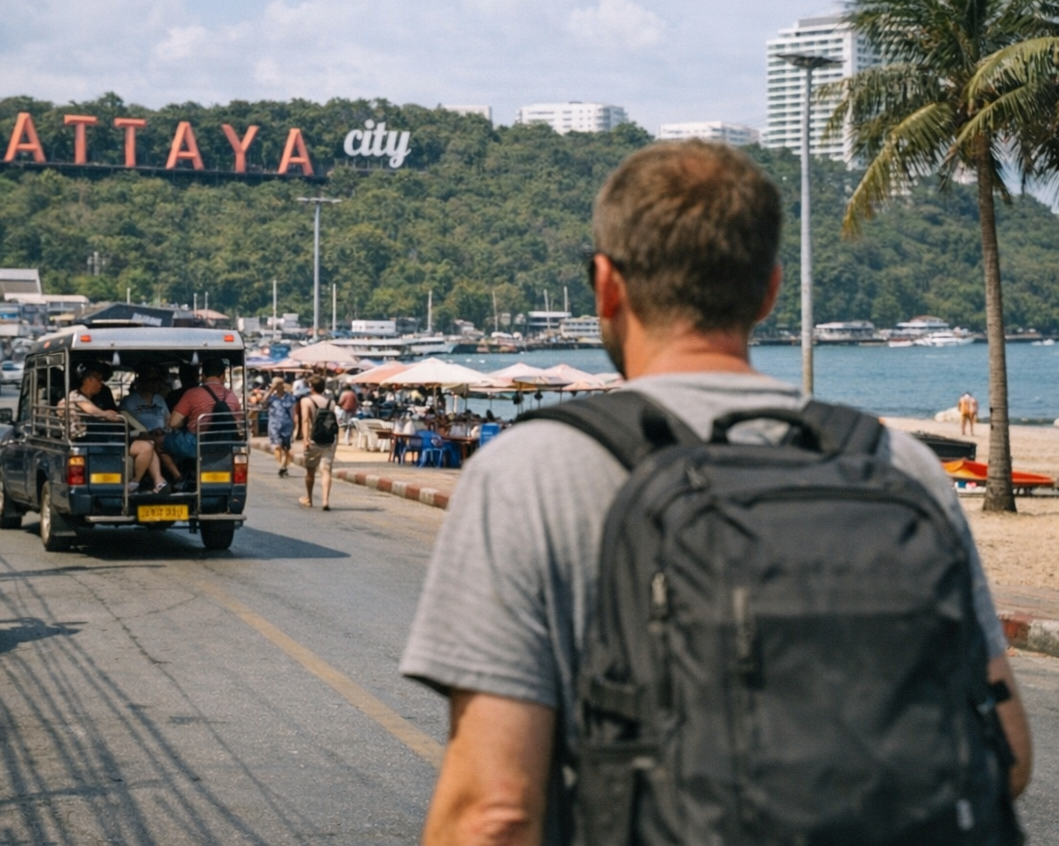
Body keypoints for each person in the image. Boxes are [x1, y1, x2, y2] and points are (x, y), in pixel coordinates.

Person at [402, 140, 1033, 845]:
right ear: (768, 290)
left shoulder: (532, 472)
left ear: (607, 286)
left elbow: (494, 813)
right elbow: (1007, 757)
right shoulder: (897, 465)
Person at [66, 365, 164, 492]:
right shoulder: (75, 395)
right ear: (87, 380)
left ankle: (136, 483)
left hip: (108, 437)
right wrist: (105, 414)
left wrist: (115, 417)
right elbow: (91, 410)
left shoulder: (103, 393)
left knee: (147, 445)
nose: (101, 384)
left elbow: (113, 411)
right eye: (98, 380)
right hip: (87, 439)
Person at [164, 357, 244, 474]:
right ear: (223, 376)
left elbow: (173, 423)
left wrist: (186, 421)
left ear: (203, 376)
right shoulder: (232, 396)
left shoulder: (192, 394)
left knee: (161, 442)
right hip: (225, 444)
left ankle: (177, 477)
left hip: (195, 445)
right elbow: (237, 422)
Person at [119, 367, 181, 488]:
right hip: (140, 435)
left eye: (155, 381)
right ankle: (177, 477)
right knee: (153, 442)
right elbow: (125, 420)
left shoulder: (159, 399)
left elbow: (168, 419)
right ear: (141, 382)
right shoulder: (130, 400)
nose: (153, 384)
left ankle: (163, 480)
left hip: (162, 434)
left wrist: (165, 431)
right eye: (150, 381)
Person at [295, 374, 338, 510]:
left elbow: (305, 420)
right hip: (329, 439)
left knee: (310, 471)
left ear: (311, 387)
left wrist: (305, 438)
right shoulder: (331, 402)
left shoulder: (306, 401)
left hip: (313, 440)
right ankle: (325, 500)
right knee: (326, 470)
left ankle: (309, 498)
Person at [265, 377, 296, 477]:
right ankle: (280, 466)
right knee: (277, 446)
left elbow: (294, 411)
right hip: (274, 424)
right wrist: (271, 390)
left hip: (286, 424)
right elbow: (263, 401)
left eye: (277, 385)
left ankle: (284, 466)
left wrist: (295, 427)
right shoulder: (272, 397)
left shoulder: (289, 397)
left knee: (286, 448)